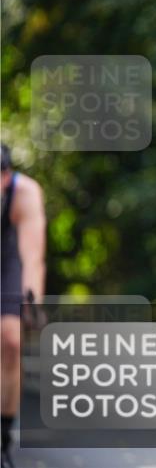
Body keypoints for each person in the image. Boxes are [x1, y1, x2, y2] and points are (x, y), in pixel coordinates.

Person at [0, 144, 46, 468]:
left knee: (11, 342)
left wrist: (32, 301)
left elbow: (32, 256)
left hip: (6, 259)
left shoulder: (24, 192)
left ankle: (4, 434)